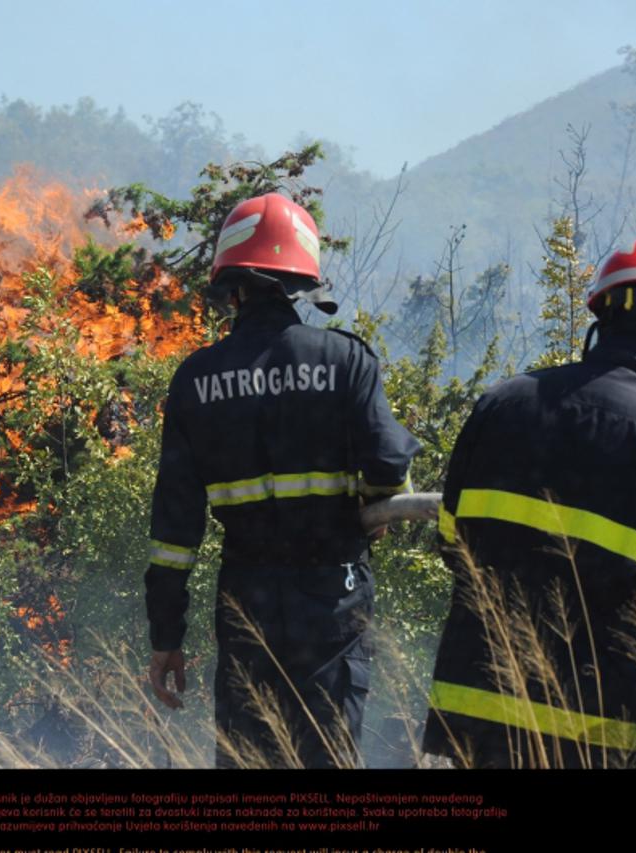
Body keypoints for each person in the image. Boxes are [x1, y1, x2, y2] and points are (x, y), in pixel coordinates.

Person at [424, 231, 636, 769]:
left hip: (479, 715)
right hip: (608, 735)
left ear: (602, 313)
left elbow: (451, 540)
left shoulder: (502, 405)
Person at [143, 192, 420, 768]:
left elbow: (174, 529)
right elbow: (389, 462)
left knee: (247, 753)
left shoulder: (196, 380)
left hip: (248, 594)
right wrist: (371, 510)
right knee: (327, 753)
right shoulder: (346, 360)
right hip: (333, 593)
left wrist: (166, 636)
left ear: (232, 285)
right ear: (303, 283)